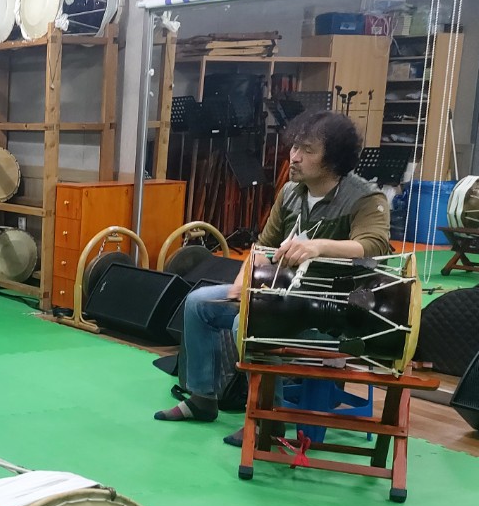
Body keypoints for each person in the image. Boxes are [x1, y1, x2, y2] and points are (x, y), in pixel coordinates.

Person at [154, 111, 392, 441]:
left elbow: (374, 244)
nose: (295, 156)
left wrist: (318, 246)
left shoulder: (365, 197)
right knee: (199, 304)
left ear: (333, 158)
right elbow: (262, 248)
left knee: (250, 323)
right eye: (295, 146)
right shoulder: (291, 192)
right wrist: (241, 284)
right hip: (285, 296)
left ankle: (270, 417)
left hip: (333, 311)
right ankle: (202, 399)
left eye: (308, 150)